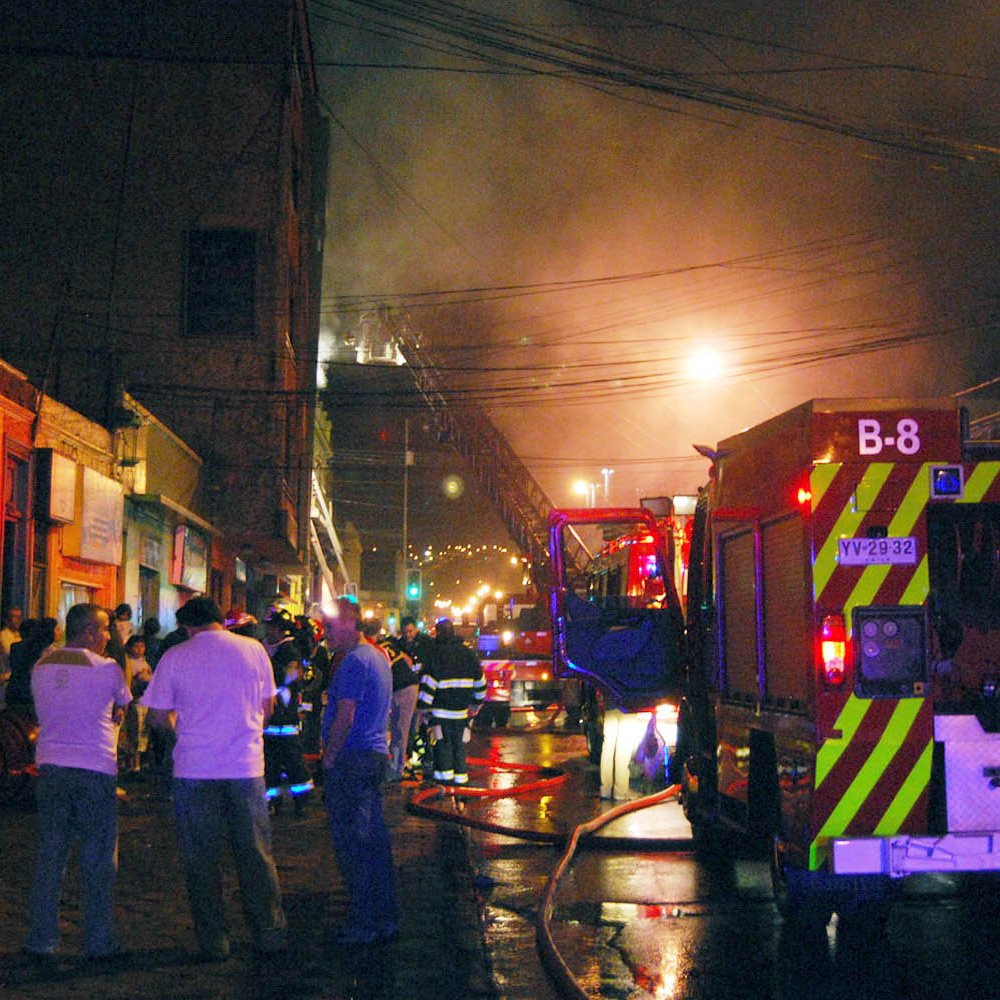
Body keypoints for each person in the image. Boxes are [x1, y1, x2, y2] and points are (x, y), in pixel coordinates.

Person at [143, 596, 287, 961]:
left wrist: (183, 734)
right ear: (221, 620)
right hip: (245, 768)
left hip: (195, 769)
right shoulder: (254, 650)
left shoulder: (176, 657)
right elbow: (268, 707)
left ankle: (214, 939)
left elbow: (158, 718)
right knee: (255, 854)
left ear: (187, 626)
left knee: (201, 858)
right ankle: (268, 930)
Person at [24, 603, 131, 962]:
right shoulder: (108, 668)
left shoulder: (41, 666)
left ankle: (42, 939)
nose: (107, 638)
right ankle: (99, 941)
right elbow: (122, 706)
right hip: (94, 767)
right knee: (98, 857)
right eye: (104, 631)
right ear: (88, 632)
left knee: (51, 854)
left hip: (52, 767)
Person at [321, 615, 398, 945]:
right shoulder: (378, 658)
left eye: (330, 629)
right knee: (374, 841)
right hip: (373, 756)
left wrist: (329, 756)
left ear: (351, 625)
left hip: (352, 758)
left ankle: (363, 922)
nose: (325, 636)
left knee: (354, 843)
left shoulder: (353, 662)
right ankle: (385, 917)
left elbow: (346, 714)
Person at [417, 618, 486, 786]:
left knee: (442, 747)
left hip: (440, 713)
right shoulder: (468, 654)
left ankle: (444, 785)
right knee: (460, 747)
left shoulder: (436, 655)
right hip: (462, 713)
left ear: (438, 633)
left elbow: (428, 683)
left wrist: (423, 709)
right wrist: (476, 704)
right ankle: (461, 783)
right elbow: (481, 682)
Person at [262, 609, 313, 814]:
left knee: (292, 760)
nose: (269, 631)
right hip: (271, 717)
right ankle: (272, 799)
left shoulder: (290, 651)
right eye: (269, 627)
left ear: (283, 630)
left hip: (285, 719)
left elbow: (290, 679)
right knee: (270, 761)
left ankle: (301, 798)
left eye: (273, 628)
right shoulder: (267, 648)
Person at [384, 625, 420, 781]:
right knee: (399, 730)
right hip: (407, 687)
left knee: (399, 731)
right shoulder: (388, 646)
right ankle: (394, 767)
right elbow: (408, 660)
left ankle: (395, 770)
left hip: (402, 689)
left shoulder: (375, 649)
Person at [124, 636, 153, 775]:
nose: (140, 649)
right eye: (136, 646)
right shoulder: (128, 663)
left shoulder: (144, 663)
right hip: (135, 701)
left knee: (144, 732)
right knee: (135, 732)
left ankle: (141, 762)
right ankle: (133, 764)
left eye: (142, 646)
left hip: (145, 701)